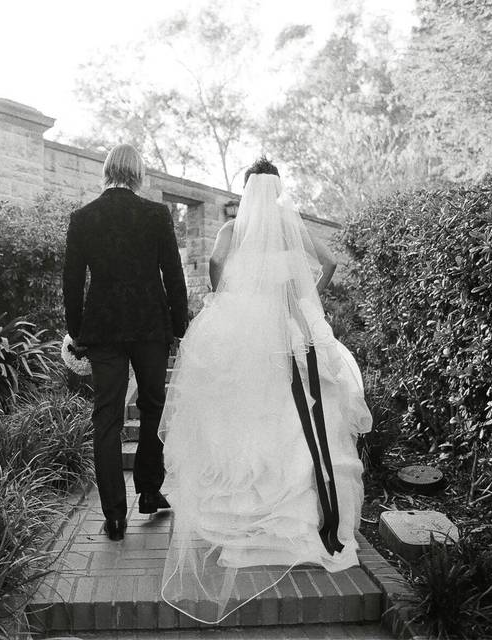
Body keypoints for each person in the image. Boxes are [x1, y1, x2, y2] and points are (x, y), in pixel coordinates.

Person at [158, 158, 372, 623]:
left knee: (244, 416)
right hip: (292, 330)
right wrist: (307, 297)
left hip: (242, 332)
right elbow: (331, 261)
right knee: (294, 419)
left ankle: (246, 517)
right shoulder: (290, 225)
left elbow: (216, 263)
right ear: (278, 189)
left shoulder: (235, 229)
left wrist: (228, 296)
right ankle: (299, 519)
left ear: (247, 188)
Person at [62, 144, 189, 541]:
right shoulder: (155, 215)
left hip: (104, 330)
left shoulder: (83, 217)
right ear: (138, 174)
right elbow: (173, 273)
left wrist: (77, 331)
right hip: (150, 326)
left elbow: (71, 282)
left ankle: (114, 515)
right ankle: (149, 491)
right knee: (152, 407)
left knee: (107, 418)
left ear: (107, 171)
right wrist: (179, 325)